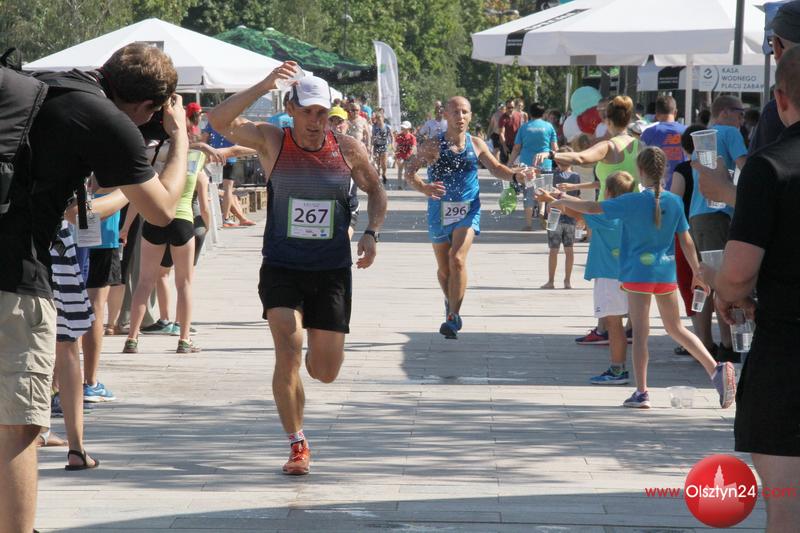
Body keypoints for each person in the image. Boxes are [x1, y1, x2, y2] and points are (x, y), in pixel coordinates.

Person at [0, 42, 190, 533]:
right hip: (14, 278)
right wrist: (180, 141)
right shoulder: (107, 119)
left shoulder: (46, 88)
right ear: (147, 106)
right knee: (18, 426)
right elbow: (161, 211)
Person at [207, 64, 387, 476]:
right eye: (307, 112)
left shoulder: (347, 149)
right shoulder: (272, 141)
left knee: (325, 371)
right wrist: (264, 84)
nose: (314, 121)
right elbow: (218, 121)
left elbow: (376, 190)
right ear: (291, 108)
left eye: (322, 113)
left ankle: (310, 359)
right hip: (282, 266)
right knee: (287, 349)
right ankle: (297, 443)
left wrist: (372, 232)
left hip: (331, 270)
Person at [699, 45, 800, 532]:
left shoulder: (771, 166)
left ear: (780, 99)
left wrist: (717, 284)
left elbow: (738, 274)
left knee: (788, 504)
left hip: (788, 352)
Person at [551, 147, 736, 410]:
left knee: (640, 333)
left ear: (640, 170)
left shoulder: (632, 200)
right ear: (664, 170)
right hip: (665, 272)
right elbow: (685, 239)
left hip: (637, 273)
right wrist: (698, 272)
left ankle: (641, 392)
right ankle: (715, 369)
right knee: (676, 328)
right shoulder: (673, 201)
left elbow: (592, 207)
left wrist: (562, 198)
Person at [404, 96, 532, 339]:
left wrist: (517, 176)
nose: (460, 116)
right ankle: (450, 299)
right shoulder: (433, 145)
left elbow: (496, 168)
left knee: (457, 259)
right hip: (438, 210)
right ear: (446, 115)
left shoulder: (477, 144)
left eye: (464, 112)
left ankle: (453, 316)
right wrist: (424, 188)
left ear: (471, 116)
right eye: (455, 112)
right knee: (444, 270)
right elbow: (410, 171)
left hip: (468, 209)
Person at [540, 171, 637, 385]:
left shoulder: (606, 216)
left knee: (614, 324)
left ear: (607, 192)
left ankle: (618, 370)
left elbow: (579, 212)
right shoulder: (629, 214)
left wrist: (553, 199)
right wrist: (557, 197)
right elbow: (580, 211)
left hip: (608, 277)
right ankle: (623, 369)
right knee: (624, 324)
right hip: (628, 274)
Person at [124, 146, 206, 354]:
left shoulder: (152, 161)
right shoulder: (196, 159)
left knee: (144, 282)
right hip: (183, 221)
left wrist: (125, 228)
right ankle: (184, 340)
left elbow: (138, 200)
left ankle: (132, 339)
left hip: (154, 220)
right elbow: (204, 205)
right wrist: (206, 225)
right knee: (184, 284)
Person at [688, 95, 748, 363]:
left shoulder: (703, 138)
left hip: (697, 215)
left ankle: (704, 343)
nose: (742, 118)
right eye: (739, 112)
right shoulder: (730, 132)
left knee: (705, 280)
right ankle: (728, 345)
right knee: (724, 280)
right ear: (724, 112)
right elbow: (746, 167)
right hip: (718, 214)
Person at [669, 125, 710, 356]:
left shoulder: (683, 169)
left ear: (684, 147)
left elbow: (675, 200)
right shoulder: (715, 167)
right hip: (714, 226)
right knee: (709, 282)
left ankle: (701, 340)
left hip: (686, 230)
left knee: (690, 284)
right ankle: (708, 340)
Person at [748, 1, 800, 156]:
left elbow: (755, 170)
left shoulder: (779, 110)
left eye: (771, 42)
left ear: (777, 48)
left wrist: (719, 174)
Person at [508, 102, 558, 230]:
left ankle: (529, 224)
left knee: (529, 193)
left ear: (530, 113)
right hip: (545, 164)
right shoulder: (549, 127)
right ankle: (541, 212)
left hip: (527, 166)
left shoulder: (524, 127)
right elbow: (555, 148)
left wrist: (509, 163)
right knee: (544, 191)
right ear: (544, 113)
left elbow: (516, 147)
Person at [540, 147, 580, 289]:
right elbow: (577, 196)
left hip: (554, 215)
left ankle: (551, 281)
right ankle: (566, 281)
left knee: (554, 250)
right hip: (570, 215)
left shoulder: (551, 174)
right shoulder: (576, 176)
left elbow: (543, 190)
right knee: (568, 249)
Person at [640, 95, 686, 189]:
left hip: (657, 189)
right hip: (683, 186)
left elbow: (642, 160)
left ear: (656, 114)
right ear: (675, 112)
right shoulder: (687, 131)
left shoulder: (649, 133)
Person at [498, 99, 523, 164]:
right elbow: (501, 133)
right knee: (504, 165)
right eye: (508, 108)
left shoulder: (519, 115)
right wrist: (504, 147)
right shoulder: (503, 118)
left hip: (517, 144)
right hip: (506, 144)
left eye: (512, 107)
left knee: (517, 165)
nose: (510, 109)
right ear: (505, 108)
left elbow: (521, 130)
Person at [394, 121, 417, 190]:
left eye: (405, 128)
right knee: (400, 170)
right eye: (402, 128)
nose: (403, 129)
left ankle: (405, 185)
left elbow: (413, 147)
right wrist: (397, 156)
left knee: (407, 171)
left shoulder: (412, 137)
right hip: (401, 156)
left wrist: (410, 155)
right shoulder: (399, 136)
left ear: (409, 128)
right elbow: (397, 147)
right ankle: (399, 185)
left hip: (409, 156)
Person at [371, 108, 392, 185]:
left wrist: (392, 145)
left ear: (383, 118)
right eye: (377, 119)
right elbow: (372, 136)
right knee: (377, 162)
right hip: (376, 145)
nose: (378, 120)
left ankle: (384, 173)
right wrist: (371, 145)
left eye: (379, 118)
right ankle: (378, 175)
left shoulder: (387, 127)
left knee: (384, 163)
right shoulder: (374, 127)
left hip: (384, 145)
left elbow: (391, 136)